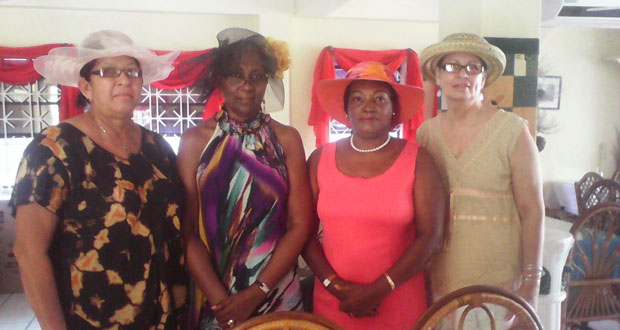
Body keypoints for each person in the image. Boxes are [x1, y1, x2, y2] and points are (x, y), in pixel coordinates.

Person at [10, 30, 188, 329]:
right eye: (107, 71)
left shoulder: (159, 149)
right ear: (85, 86)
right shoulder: (54, 149)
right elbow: (29, 252)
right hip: (90, 317)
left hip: (163, 317)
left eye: (132, 71)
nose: (124, 79)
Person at [177, 28, 313, 330]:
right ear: (220, 80)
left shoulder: (287, 139)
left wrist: (257, 292)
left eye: (257, 75)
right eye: (236, 75)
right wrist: (221, 303)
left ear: (268, 80)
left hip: (277, 294)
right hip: (215, 299)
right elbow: (187, 232)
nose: (247, 86)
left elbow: (301, 224)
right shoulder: (194, 141)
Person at [302, 61, 446, 330]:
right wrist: (334, 285)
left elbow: (431, 238)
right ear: (346, 110)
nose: (368, 106)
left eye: (380, 98)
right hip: (335, 301)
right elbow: (304, 232)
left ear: (394, 110)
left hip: (399, 298)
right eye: (357, 99)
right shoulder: (320, 159)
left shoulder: (419, 159)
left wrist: (379, 289)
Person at [417, 33, 545, 327]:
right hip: (441, 272)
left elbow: (532, 211)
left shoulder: (513, 130)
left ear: (484, 77)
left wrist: (532, 282)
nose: (463, 74)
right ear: (437, 74)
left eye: (473, 67)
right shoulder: (426, 134)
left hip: (497, 278)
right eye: (452, 66)